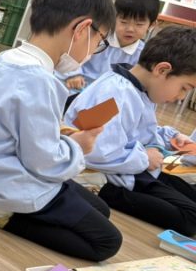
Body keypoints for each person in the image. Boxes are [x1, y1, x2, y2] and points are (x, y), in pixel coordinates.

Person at [0, 0, 122, 261]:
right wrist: (79, 147)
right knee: (107, 242)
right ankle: (1, 213)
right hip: (8, 181)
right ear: (82, 29)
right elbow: (45, 162)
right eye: (98, 41)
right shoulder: (39, 79)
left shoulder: (5, 60)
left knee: (100, 210)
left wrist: (63, 136)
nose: (93, 52)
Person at [66, 26, 196, 235]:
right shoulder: (112, 93)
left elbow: (137, 130)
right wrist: (144, 157)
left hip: (136, 168)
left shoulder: (140, 89)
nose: (181, 97)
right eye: (184, 88)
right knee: (190, 218)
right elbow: (95, 150)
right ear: (162, 70)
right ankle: (96, 191)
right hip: (115, 177)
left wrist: (170, 136)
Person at [62, 0, 160, 103]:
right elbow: (73, 57)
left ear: (152, 25)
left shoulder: (144, 54)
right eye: (123, 22)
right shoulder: (98, 37)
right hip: (79, 90)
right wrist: (74, 75)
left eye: (139, 24)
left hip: (109, 101)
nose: (130, 29)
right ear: (113, 17)